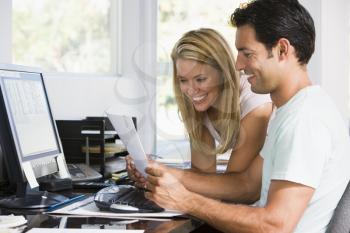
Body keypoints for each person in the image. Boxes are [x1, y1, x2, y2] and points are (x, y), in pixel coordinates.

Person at [144, 0, 350, 232]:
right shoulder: (290, 111)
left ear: (282, 50)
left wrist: (186, 200)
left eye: (247, 53)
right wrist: (166, 176)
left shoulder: (304, 120)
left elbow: (275, 225)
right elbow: (247, 184)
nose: (238, 64)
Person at [127, 28, 272, 197]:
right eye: (183, 80)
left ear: (223, 73)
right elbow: (203, 174)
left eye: (200, 79)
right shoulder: (203, 104)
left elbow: (234, 187)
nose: (190, 90)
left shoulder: (256, 104)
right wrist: (151, 175)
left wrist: (166, 172)